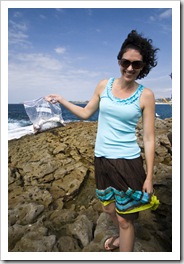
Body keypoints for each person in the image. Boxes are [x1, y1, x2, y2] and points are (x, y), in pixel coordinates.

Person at [45, 30, 159, 252]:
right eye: (126, 62)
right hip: (102, 159)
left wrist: (149, 177)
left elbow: (149, 138)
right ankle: (120, 235)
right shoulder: (103, 85)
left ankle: (124, 243)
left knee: (126, 219)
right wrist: (61, 99)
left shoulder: (146, 95)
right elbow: (87, 113)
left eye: (136, 65)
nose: (129, 68)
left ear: (143, 67)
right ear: (119, 61)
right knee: (108, 209)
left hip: (128, 163)